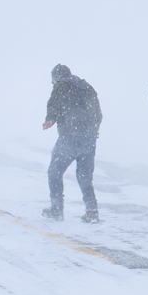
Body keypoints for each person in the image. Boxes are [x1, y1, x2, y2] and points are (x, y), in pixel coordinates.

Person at [42, 64, 103, 223]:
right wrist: (90, 131)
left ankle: (56, 209)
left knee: (54, 171)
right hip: (89, 140)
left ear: (56, 77)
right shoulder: (87, 87)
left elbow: (54, 104)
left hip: (69, 137)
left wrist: (50, 119)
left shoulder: (61, 86)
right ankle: (92, 211)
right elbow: (98, 115)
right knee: (84, 176)